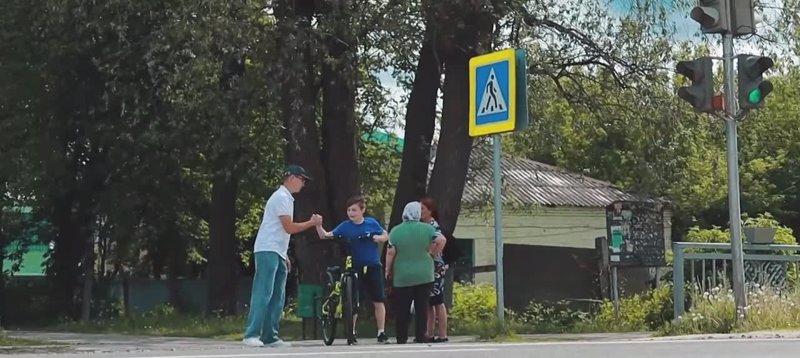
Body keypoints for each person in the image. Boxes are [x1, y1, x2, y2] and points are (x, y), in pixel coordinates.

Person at [243, 165, 322, 348]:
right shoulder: (281, 197)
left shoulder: (287, 199)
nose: (303, 184)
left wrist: (284, 253)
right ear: (292, 178)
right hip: (267, 249)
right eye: (302, 180)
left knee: (278, 295)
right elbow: (289, 227)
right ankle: (251, 334)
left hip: (277, 250)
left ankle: (270, 336)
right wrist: (311, 223)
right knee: (264, 292)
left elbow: (280, 231)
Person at [315, 195, 390, 344]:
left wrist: (379, 238)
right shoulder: (345, 226)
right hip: (355, 265)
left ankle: (381, 332)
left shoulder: (371, 223)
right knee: (354, 300)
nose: (351, 213)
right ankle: (352, 331)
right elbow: (326, 236)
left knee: (378, 300)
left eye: (354, 210)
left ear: (362, 210)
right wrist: (318, 225)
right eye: (349, 210)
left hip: (373, 265)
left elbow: (385, 234)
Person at [386, 201, 446, 344]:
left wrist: (388, 269)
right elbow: (442, 239)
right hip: (424, 274)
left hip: (402, 275)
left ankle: (401, 337)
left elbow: (390, 252)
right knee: (422, 306)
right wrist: (432, 254)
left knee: (402, 307)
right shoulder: (427, 229)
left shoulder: (395, 231)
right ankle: (421, 336)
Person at [420, 197, 449, 343]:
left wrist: (432, 254)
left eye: (423, 209)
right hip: (427, 265)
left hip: (435, 266)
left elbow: (441, 240)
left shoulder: (432, 225)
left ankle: (443, 334)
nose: (420, 212)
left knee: (437, 300)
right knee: (428, 302)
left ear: (430, 211)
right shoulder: (422, 225)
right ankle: (429, 333)